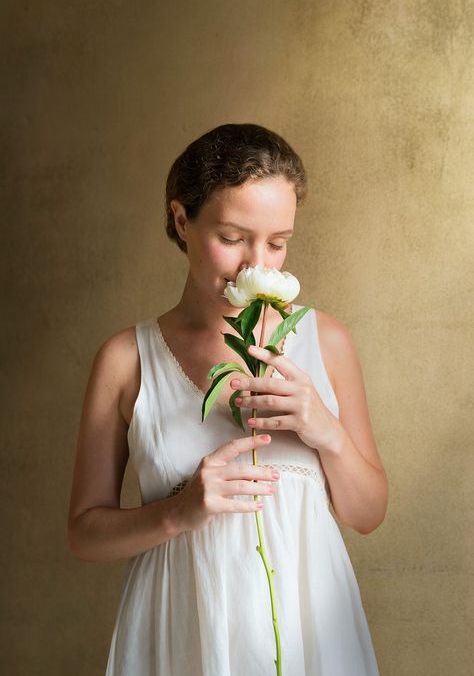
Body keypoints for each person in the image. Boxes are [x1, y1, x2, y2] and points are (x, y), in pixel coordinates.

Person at [68, 123, 388, 675]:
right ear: (180, 220)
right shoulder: (125, 359)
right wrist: (178, 512)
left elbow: (368, 514)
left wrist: (326, 432)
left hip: (313, 635)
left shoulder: (326, 341)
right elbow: (84, 533)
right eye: (233, 237)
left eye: (278, 242)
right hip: (182, 634)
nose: (257, 265)